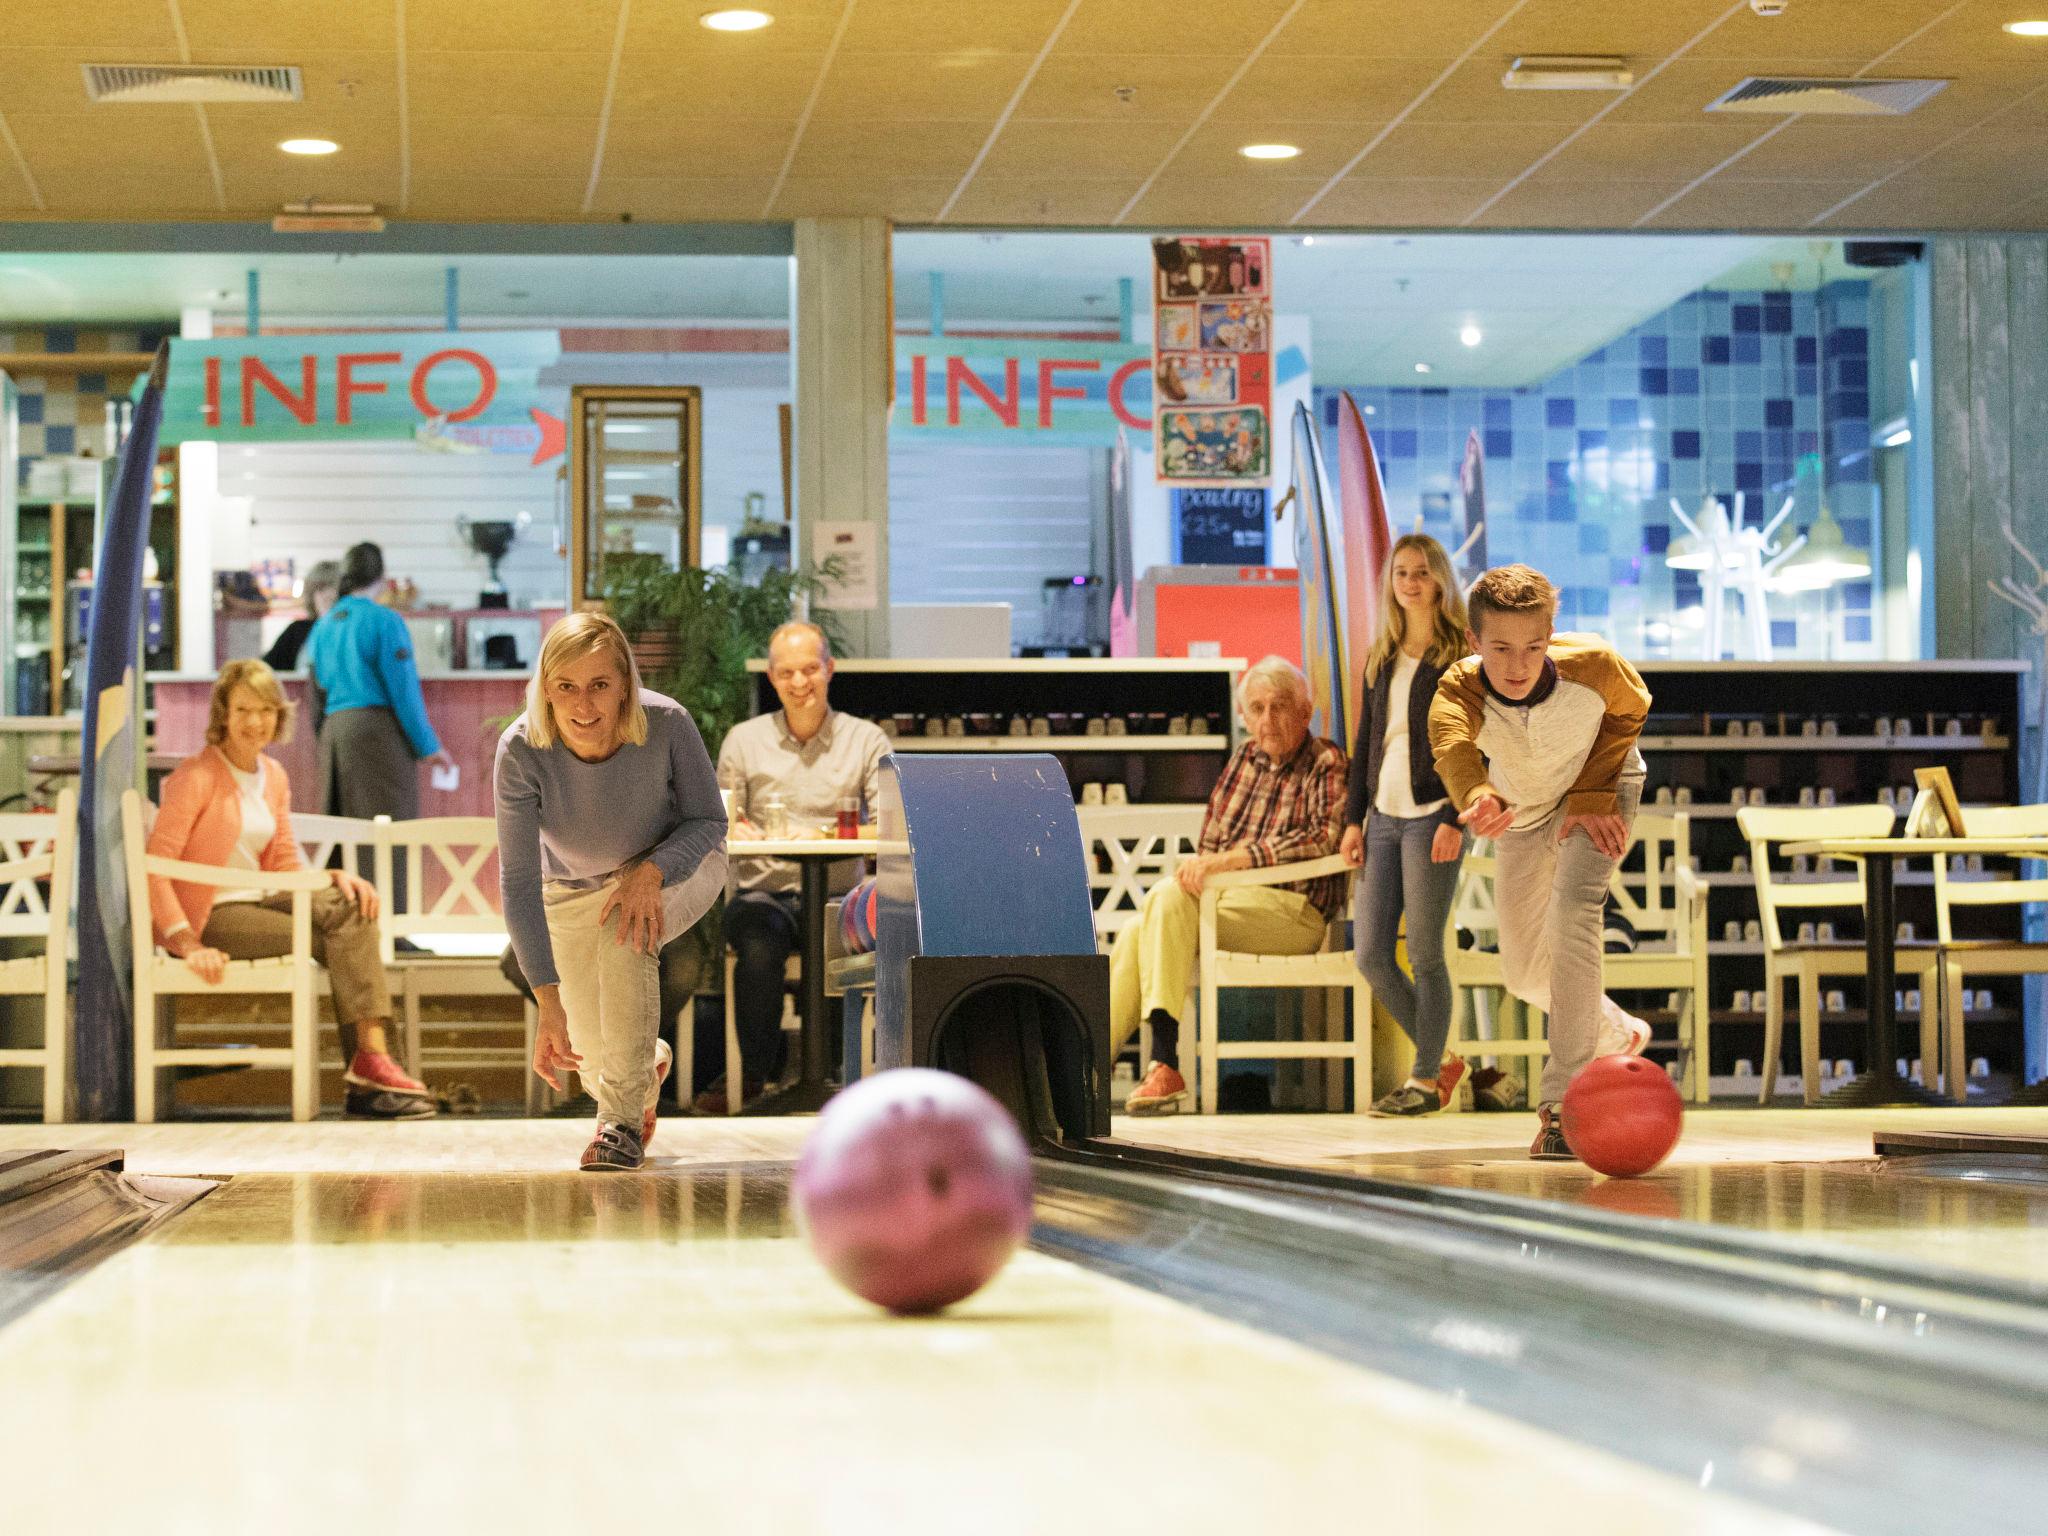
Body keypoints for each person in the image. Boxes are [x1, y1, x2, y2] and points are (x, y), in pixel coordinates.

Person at [1426, 564, 1653, 1161]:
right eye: (1500, 648)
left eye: (1532, 646)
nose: (1518, 665)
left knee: (1574, 911)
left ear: (1551, 633)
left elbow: (1631, 712)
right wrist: (1477, 797)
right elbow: (1451, 746)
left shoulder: (1596, 664)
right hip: (1522, 805)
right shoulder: (1458, 687)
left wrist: (1592, 794)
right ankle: (1615, 1032)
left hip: (1598, 789)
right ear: (1474, 643)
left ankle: (1563, 1106)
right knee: (1524, 973)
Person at [147, 658, 434, 1119]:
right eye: (242, 710)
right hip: (211, 918)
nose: (254, 722)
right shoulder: (194, 776)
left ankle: (371, 1066)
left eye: (265, 710)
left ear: (279, 716)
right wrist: (183, 940)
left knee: (351, 909)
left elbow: (282, 860)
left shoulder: (273, 776)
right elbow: (154, 866)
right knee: (346, 926)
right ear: (222, 713)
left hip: (260, 900)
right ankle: (373, 1068)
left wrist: (330, 878)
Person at [495, 612, 727, 1171]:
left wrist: (651, 873)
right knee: (597, 1058)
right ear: (545, 690)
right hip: (570, 887)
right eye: (566, 687)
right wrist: (547, 1004)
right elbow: (520, 881)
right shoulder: (521, 750)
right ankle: (644, 1067)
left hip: (677, 867)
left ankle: (618, 1126)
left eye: (600, 684)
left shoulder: (667, 723)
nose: (584, 705)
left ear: (626, 684)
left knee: (626, 931)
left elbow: (708, 821)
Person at [1110, 655, 1347, 1115]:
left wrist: (1238, 859)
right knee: (1141, 929)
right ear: (1243, 717)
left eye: (1279, 707)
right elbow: (1209, 845)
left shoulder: (1326, 760)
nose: (1267, 719)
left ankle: (1154, 1059)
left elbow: (1326, 839)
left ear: (1305, 712)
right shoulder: (1243, 761)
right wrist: (1215, 866)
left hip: (1294, 915)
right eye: (1256, 708)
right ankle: (1103, 1066)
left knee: (1164, 899)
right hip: (1227, 906)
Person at [711, 620, 886, 1114]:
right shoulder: (744, 741)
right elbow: (718, 822)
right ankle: (757, 1079)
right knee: (759, 945)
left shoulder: (865, 740)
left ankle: (831, 1079)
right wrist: (733, 829)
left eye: (810, 669)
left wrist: (826, 836)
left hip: (836, 896)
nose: (799, 682)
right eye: (787, 672)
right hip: (763, 892)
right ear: (771, 678)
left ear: (830, 670)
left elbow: (892, 824)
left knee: (832, 941)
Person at [1341, 534, 1470, 1117]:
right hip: (1381, 819)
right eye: (1401, 573)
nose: (1411, 583)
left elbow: (1474, 746)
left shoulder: (1460, 658)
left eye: (1422, 572)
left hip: (1431, 819)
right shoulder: (1382, 655)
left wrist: (1454, 817)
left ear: (1441, 579)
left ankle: (1423, 1079)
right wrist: (1351, 820)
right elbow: (1365, 742)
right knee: (1369, 952)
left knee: (1425, 952)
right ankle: (1441, 1061)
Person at [303, 542, 456, 916]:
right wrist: (429, 745)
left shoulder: (323, 627)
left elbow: (315, 693)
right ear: (382, 579)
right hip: (376, 734)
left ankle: (344, 921)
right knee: (389, 833)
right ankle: (392, 928)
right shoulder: (385, 622)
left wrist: (327, 737)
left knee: (343, 836)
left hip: (334, 734)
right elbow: (403, 691)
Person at [261, 559, 341, 674]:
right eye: (320, 589)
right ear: (311, 594)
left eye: (333, 589)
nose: (327, 596)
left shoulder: (350, 632)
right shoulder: (296, 631)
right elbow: (266, 667)